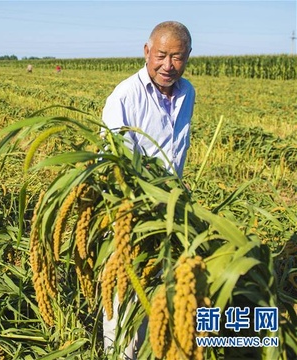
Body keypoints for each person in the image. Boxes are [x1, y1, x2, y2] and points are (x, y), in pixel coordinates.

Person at [101, 21, 195, 359]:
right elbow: (113, 158)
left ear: (188, 58)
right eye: (161, 56)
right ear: (146, 52)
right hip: (132, 209)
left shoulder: (188, 93)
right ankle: (118, 354)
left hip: (170, 209)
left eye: (177, 57)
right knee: (123, 290)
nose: (168, 65)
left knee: (160, 286)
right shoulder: (124, 96)